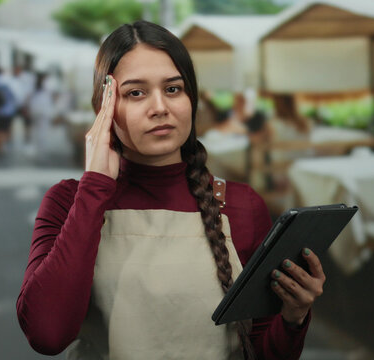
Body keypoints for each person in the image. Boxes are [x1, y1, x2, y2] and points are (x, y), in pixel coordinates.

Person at [17, 21, 325, 359]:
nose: (160, 107)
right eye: (136, 92)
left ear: (191, 99)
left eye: (173, 89)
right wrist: (94, 189)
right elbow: (48, 334)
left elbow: (263, 352)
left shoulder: (243, 206)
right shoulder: (68, 202)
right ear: (103, 108)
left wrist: (293, 316)